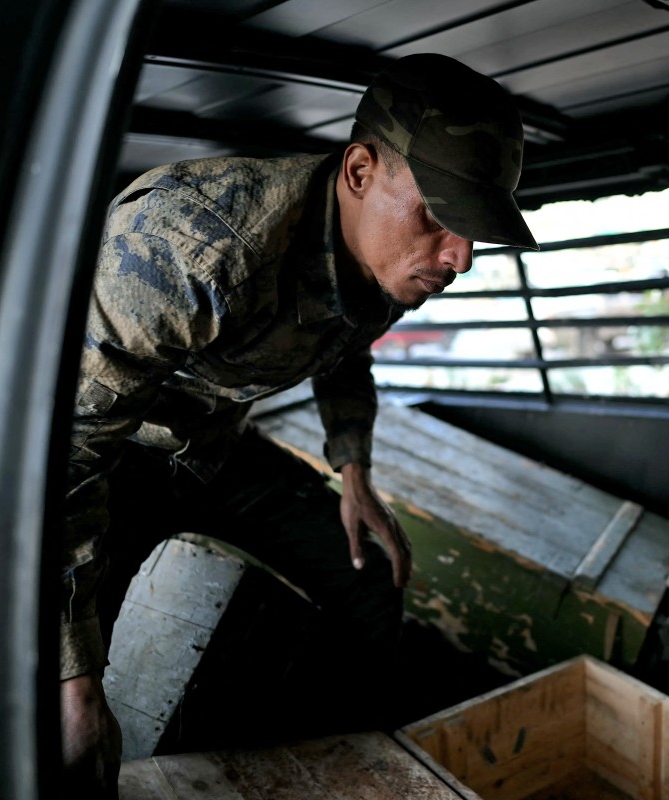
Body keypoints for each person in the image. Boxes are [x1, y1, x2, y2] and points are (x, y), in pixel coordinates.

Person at [58, 52, 538, 796]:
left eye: (472, 229)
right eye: (440, 216)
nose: (462, 257)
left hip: (218, 449)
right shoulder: (195, 243)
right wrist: (76, 682)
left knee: (368, 575)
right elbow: (67, 454)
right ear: (358, 172)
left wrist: (354, 473)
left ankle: (336, 766)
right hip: (114, 463)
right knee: (67, 721)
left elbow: (346, 347)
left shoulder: (385, 262)